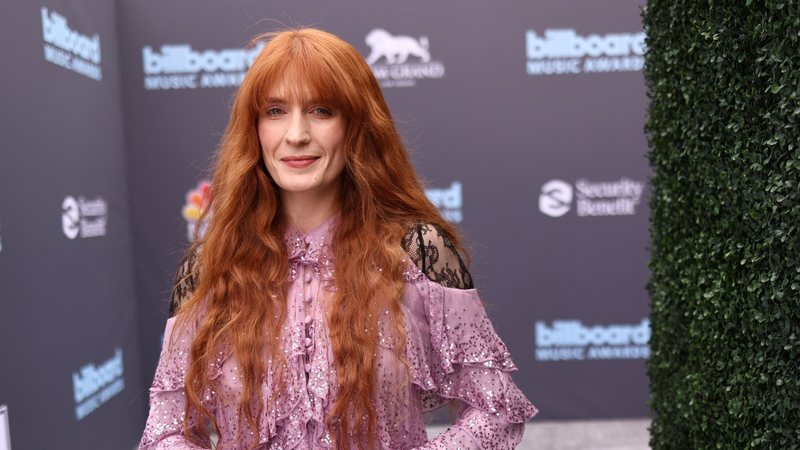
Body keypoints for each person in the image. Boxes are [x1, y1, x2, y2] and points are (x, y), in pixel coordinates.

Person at [139, 28, 537, 450]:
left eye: (321, 110)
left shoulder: (418, 252)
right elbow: (167, 430)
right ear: (253, 128)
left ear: (356, 125)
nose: (296, 134)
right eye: (275, 110)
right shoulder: (210, 266)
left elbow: (495, 409)